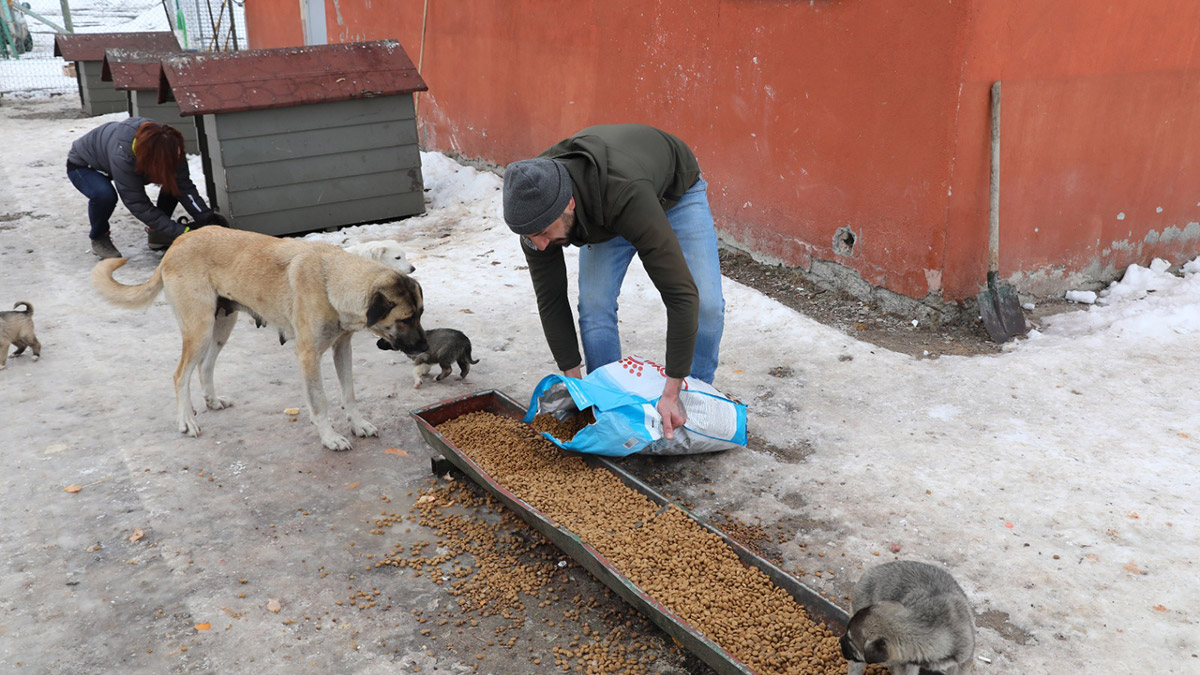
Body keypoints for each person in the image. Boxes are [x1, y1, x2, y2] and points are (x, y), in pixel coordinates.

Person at [502, 124, 725, 440]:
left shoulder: (623, 192)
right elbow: (551, 299)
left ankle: (694, 399)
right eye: (529, 236)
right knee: (594, 304)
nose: (538, 245)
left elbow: (681, 294)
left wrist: (671, 389)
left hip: (670, 194)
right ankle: (607, 405)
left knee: (707, 305)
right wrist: (575, 384)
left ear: (569, 204)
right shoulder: (535, 202)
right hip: (602, 211)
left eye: (542, 234)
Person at [67, 117, 226, 259]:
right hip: (85, 166)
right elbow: (138, 203)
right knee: (104, 195)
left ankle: (158, 233)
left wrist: (207, 219)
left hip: (121, 158)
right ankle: (99, 236)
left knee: (173, 180)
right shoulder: (123, 157)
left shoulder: (169, 144)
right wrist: (182, 233)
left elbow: (184, 186)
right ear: (153, 159)